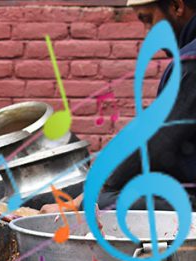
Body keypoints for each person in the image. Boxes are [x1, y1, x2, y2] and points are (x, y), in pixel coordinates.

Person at [42, 0, 196, 213]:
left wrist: (82, 201)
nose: (149, 34)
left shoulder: (191, 63)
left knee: (104, 201)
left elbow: (158, 142)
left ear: (177, 6)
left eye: (148, 19)